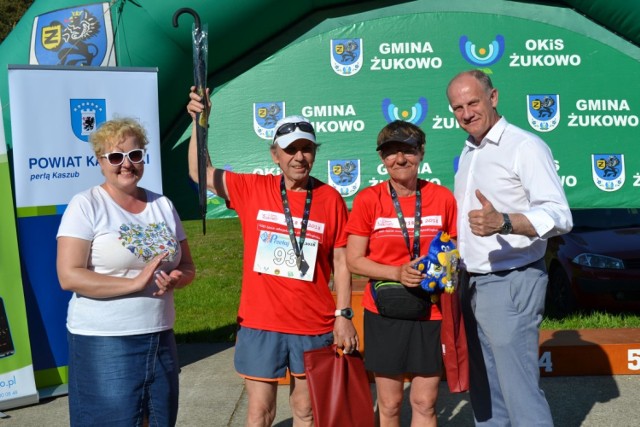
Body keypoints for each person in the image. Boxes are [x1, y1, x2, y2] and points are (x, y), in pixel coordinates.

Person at [186, 88, 358, 427]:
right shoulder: (253, 189)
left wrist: (344, 315)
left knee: (307, 412)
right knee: (259, 414)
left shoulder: (330, 199)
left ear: (314, 153)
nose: (299, 157)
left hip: (313, 323)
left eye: (306, 148)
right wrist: (198, 120)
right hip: (261, 321)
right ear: (275, 155)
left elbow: (341, 262)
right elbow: (200, 173)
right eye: (290, 149)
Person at [446, 69, 573, 426]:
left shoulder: (524, 146)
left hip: (511, 281)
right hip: (472, 282)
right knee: (486, 395)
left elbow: (559, 216)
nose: (466, 113)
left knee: (519, 395)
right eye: (457, 107)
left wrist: (504, 222)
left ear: (494, 97)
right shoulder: (471, 149)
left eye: (473, 102)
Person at [56, 118, 196, 426]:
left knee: (160, 419)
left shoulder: (162, 204)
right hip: (105, 341)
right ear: (100, 161)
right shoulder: (86, 205)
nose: (126, 164)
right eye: (116, 157)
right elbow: (69, 276)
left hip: (159, 335)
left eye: (135, 155)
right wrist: (134, 283)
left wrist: (177, 278)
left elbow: (187, 266)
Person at [345, 120, 458, 427]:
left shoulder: (442, 197)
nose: (400, 159)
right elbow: (354, 260)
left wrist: (442, 268)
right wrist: (396, 272)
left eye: (407, 150)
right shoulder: (369, 200)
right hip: (384, 311)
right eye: (391, 153)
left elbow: (456, 251)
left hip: (431, 312)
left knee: (425, 402)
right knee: (391, 404)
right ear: (383, 160)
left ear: (421, 153)